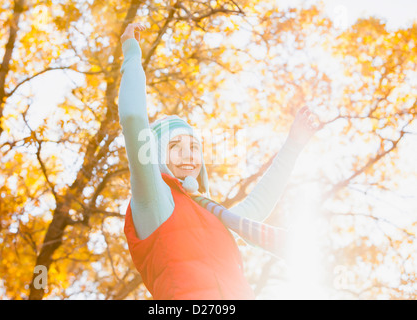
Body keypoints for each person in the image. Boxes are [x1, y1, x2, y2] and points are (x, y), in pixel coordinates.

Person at [118, 22, 321, 300]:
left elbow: (259, 202)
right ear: (155, 156)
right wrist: (131, 52)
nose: (188, 154)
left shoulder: (216, 216)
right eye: (175, 146)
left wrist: (294, 144)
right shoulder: (154, 202)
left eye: (194, 147)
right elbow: (133, 119)